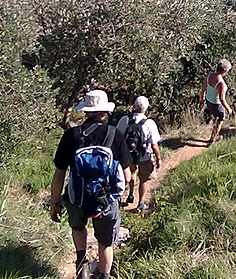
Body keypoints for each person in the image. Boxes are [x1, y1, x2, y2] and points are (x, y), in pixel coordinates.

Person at [50, 89, 132, 279]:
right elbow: (127, 176)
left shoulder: (72, 135)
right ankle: (104, 275)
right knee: (105, 242)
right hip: (105, 199)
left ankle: (82, 266)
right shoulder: (115, 135)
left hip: (76, 196)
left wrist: (55, 202)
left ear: (85, 111)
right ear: (105, 112)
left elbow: (59, 174)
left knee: (78, 228)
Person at [116, 96, 162, 213]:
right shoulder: (149, 123)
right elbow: (154, 145)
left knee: (131, 172)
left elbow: (118, 138)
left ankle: (130, 194)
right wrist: (158, 158)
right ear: (146, 109)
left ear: (134, 106)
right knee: (143, 179)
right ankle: (141, 203)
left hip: (128, 155)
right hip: (144, 156)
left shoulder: (124, 120)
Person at [200, 59, 233, 145]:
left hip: (208, 101)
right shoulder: (221, 83)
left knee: (215, 117)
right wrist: (228, 108)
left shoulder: (210, 75)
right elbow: (222, 99)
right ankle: (212, 139)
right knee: (220, 120)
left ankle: (213, 134)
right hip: (217, 104)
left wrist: (202, 97)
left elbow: (204, 86)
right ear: (225, 71)